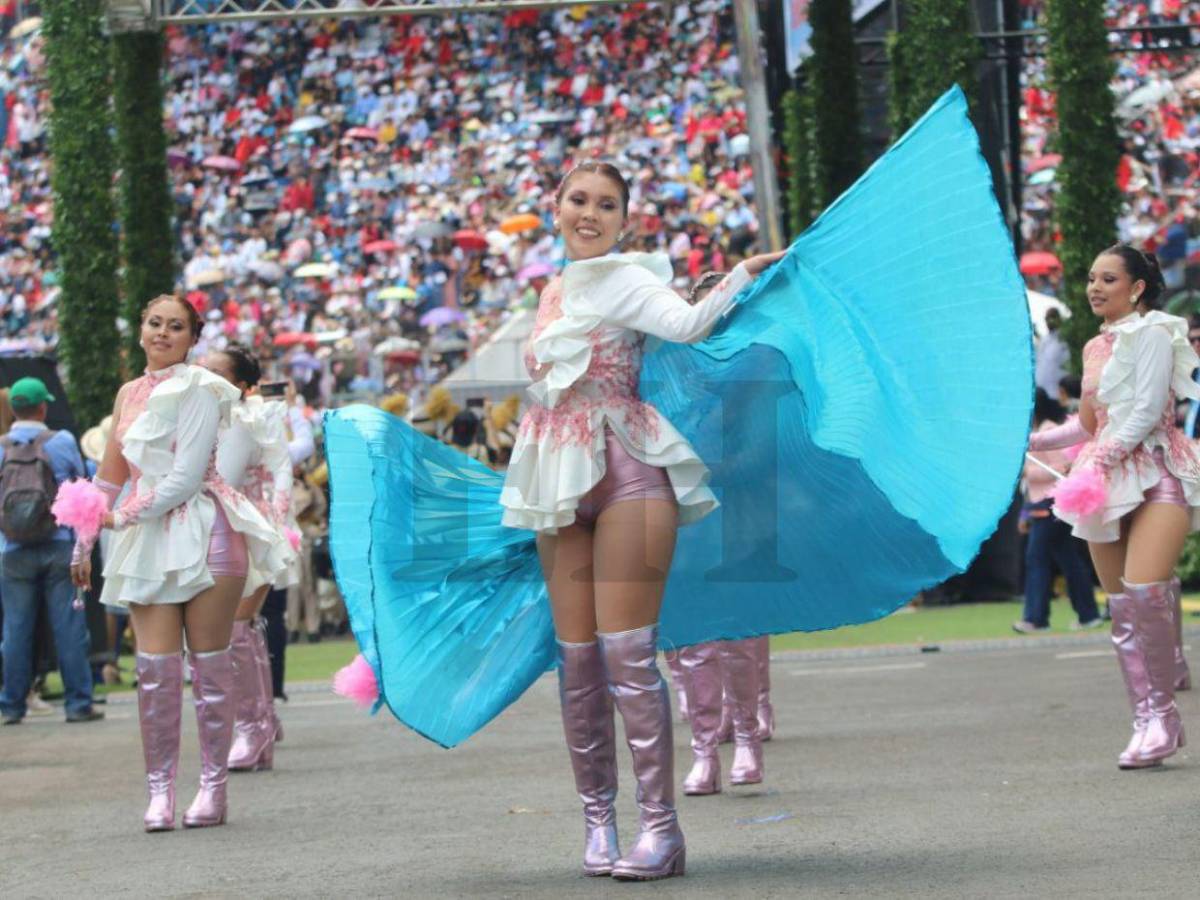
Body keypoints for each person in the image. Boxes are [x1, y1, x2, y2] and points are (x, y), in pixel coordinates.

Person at [497, 162, 783, 880]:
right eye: (578, 200)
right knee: (578, 664)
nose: (589, 214)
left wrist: (741, 274)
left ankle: (661, 829)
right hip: (558, 477)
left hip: (628, 468)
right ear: (555, 208)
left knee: (627, 657)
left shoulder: (628, 277)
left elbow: (687, 325)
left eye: (607, 205)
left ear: (624, 221)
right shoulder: (553, 289)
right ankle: (599, 823)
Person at [70, 295, 288, 831]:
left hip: (208, 532)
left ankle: (213, 789)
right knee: (154, 672)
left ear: (192, 339)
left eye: (176, 326)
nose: (163, 333)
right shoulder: (129, 393)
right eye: (155, 323)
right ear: (141, 330)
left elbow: (186, 477)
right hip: (149, 541)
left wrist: (120, 518)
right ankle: (160, 794)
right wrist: (83, 538)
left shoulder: (201, 387)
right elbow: (109, 475)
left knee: (210, 668)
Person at [1028, 245, 1200, 769]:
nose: (1094, 288)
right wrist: (1031, 441)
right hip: (1104, 483)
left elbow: (1145, 412)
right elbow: (1087, 424)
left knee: (1145, 591)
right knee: (1122, 607)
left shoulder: (1155, 332)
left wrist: (1097, 462)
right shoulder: (1093, 346)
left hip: (1156, 470)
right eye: (1090, 278)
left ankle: (1164, 711)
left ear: (1137, 287)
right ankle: (1149, 720)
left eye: (1108, 279)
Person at [204, 345, 296, 773]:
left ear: (242, 386)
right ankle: (260, 724)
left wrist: (276, 521)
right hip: (232, 529)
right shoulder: (217, 419)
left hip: (245, 531)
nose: (206, 378)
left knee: (237, 629)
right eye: (204, 369)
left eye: (217, 373)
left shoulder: (242, 421)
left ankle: (253, 728)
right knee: (243, 629)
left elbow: (223, 481)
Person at [0, 377, 101, 725]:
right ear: (43, 407)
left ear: (13, 409)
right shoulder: (61, 441)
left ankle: (11, 705)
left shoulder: (1, 447)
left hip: (12, 548)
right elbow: (80, 486)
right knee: (69, 627)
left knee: (15, 630)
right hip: (59, 545)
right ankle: (78, 704)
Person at [1013, 389, 1102, 634]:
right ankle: (1088, 614)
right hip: (1040, 503)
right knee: (1068, 560)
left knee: (1037, 559)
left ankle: (1036, 618)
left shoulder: (1048, 429)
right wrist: (1024, 513)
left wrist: (1028, 473)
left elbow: (1063, 467)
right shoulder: (1034, 431)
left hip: (1051, 503)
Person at [1035, 307, 1071, 398]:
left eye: (1052, 317)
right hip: (1040, 392)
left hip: (1057, 395)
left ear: (1058, 319)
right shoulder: (1044, 340)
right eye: (1047, 318)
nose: (1049, 321)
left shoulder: (1064, 340)